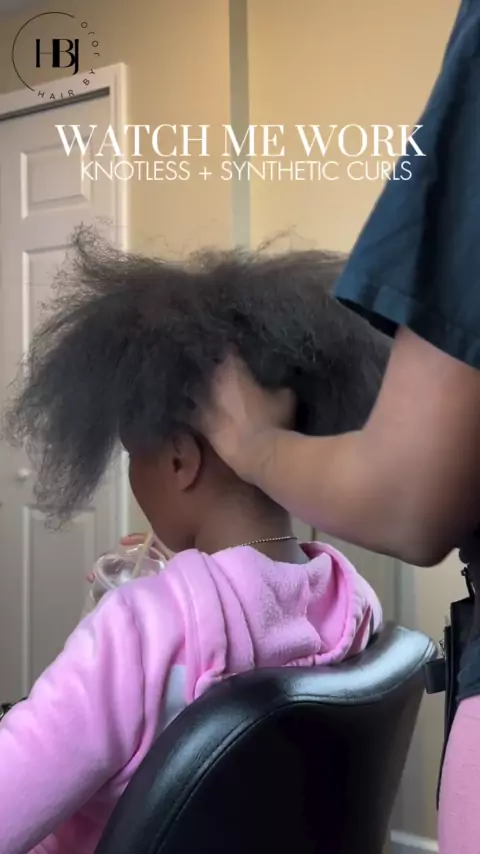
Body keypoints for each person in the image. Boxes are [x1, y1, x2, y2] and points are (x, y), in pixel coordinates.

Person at [0, 231, 385, 853]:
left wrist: (133, 617)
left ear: (180, 458)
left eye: (135, 456)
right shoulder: (353, 602)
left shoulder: (138, 631)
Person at [198, 3, 480, 852]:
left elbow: (409, 502)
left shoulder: (149, 623)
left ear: (179, 456)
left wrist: (254, 445)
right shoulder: (345, 599)